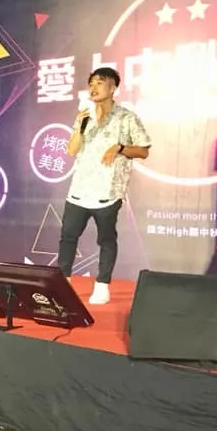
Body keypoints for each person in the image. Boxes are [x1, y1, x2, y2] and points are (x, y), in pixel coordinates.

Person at [58, 66, 151, 305]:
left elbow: (143, 151)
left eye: (99, 83)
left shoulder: (127, 117)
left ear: (113, 88)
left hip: (108, 192)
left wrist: (120, 147)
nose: (93, 88)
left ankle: (102, 285)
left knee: (106, 239)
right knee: (68, 237)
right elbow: (71, 150)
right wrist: (80, 128)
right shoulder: (84, 116)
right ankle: (63, 284)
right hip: (79, 190)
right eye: (91, 84)